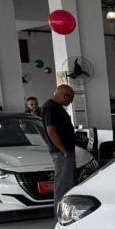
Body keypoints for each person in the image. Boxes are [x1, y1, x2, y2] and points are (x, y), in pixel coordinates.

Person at [41, 85, 76, 216]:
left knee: (68, 183)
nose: (71, 101)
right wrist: (64, 151)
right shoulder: (50, 107)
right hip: (61, 153)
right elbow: (51, 132)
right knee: (63, 186)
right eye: (71, 98)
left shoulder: (57, 107)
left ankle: (66, 213)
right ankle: (61, 216)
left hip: (65, 152)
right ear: (64, 95)